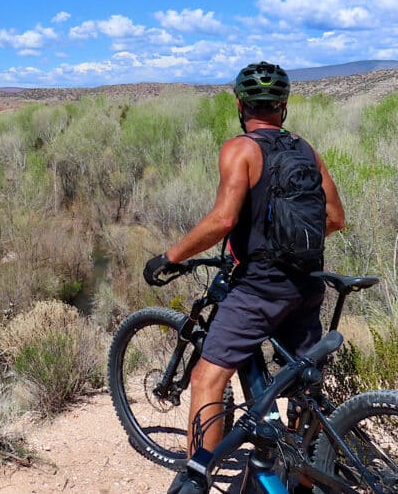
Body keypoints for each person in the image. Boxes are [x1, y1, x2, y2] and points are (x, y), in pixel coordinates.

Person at [143, 61, 345, 494]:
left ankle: (197, 478)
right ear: (283, 107)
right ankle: (302, 477)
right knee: (303, 388)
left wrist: (170, 256)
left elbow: (221, 220)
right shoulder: (306, 150)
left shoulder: (240, 149)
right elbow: (335, 218)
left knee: (206, 377)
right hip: (308, 285)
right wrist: (289, 241)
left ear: (240, 105)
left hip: (259, 289)